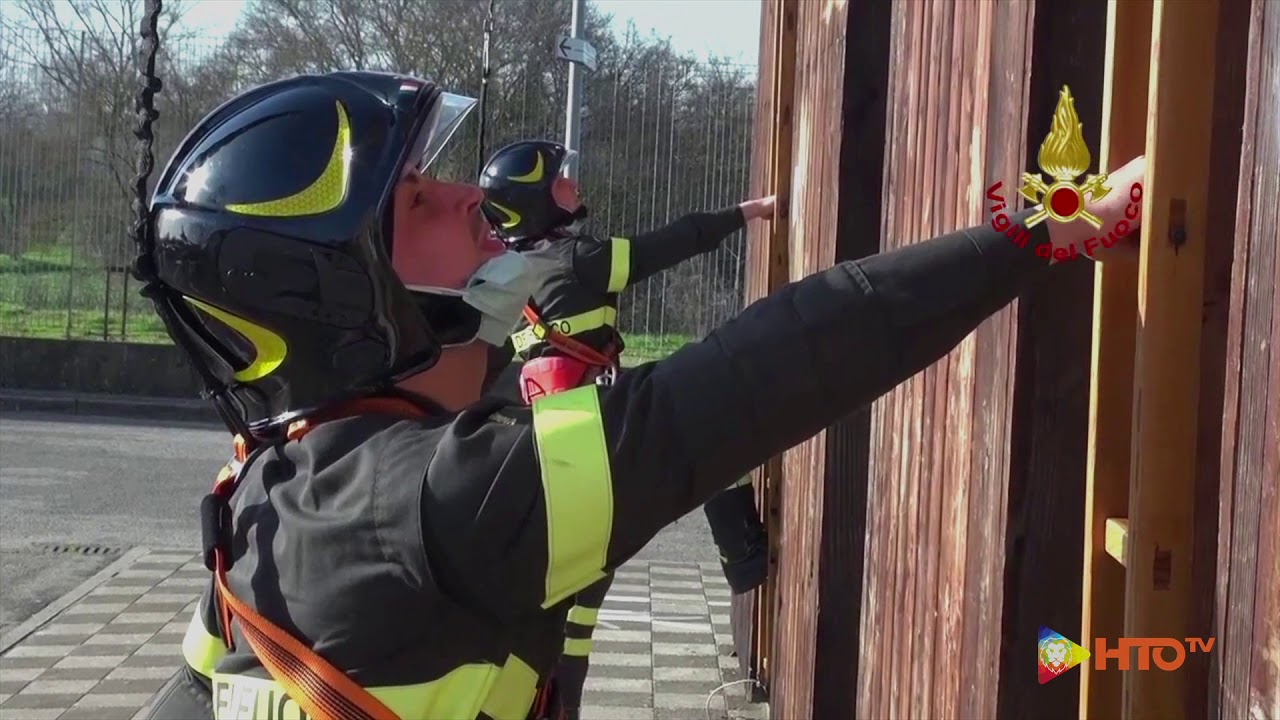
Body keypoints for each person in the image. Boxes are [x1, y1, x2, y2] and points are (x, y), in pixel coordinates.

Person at [129, 32, 1146, 720]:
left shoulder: (257, 495)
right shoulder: (461, 498)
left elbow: (185, 696)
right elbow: (788, 355)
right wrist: (1032, 232)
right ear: (339, 295)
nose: (466, 203)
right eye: (418, 205)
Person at [476, 139, 774, 719]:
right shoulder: (582, 259)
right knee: (707, 413)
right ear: (538, 201)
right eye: (561, 181)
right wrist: (747, 212)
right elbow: (673, 243)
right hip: (594, 438)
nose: (575, 186)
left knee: (569, 616)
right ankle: (744, 554)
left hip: (537, 449)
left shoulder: (498, 273)